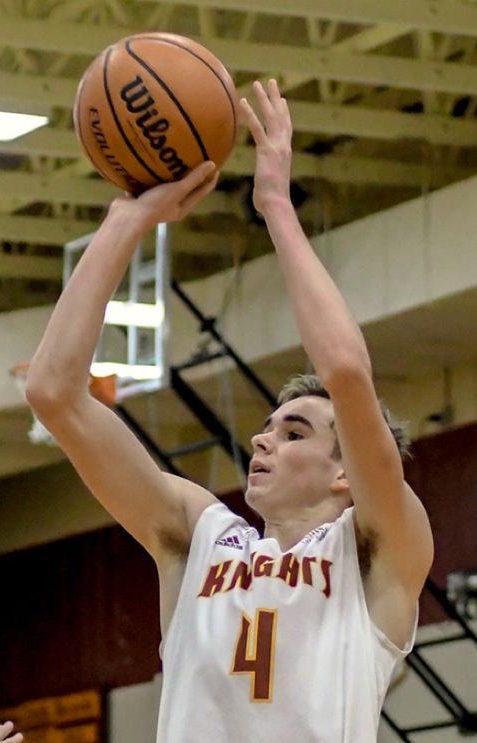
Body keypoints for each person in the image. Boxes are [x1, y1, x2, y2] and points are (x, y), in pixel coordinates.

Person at [26, 80, 433, 742]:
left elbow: (345, 370)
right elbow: (53, 393)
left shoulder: (375, 550)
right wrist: (126, 220)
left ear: (345, 473)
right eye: (268, 427)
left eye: (294, 432)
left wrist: (275, 205)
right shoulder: (200, 537)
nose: (262, 440)